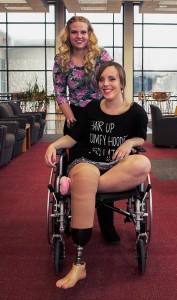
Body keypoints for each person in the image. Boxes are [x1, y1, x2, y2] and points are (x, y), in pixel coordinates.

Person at [45, 61, 151, 289]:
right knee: (84, 174)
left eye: (112, 79)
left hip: (116, 168)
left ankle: (84, 187)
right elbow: (73, 139)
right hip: (87, 161)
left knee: (143, 163)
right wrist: (53, 145)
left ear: (122, 83)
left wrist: (130, 141)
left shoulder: (136, 112)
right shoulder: (92, 108)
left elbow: (141, 139)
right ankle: (79, 265)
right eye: (102, 79)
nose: (106, 84)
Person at [53, 15, 119, 244]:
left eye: (83, 32)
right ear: (68, 35)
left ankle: (107, 224)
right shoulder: (61, 59)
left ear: (89, 33)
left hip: (101, 113)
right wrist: (72, 119)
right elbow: (60, 93)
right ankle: (72, 217)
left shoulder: (101, 55)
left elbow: (111, 83)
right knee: (76, 167)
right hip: (75, 116)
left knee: (104, 165)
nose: (79, 36)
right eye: (74, 32)